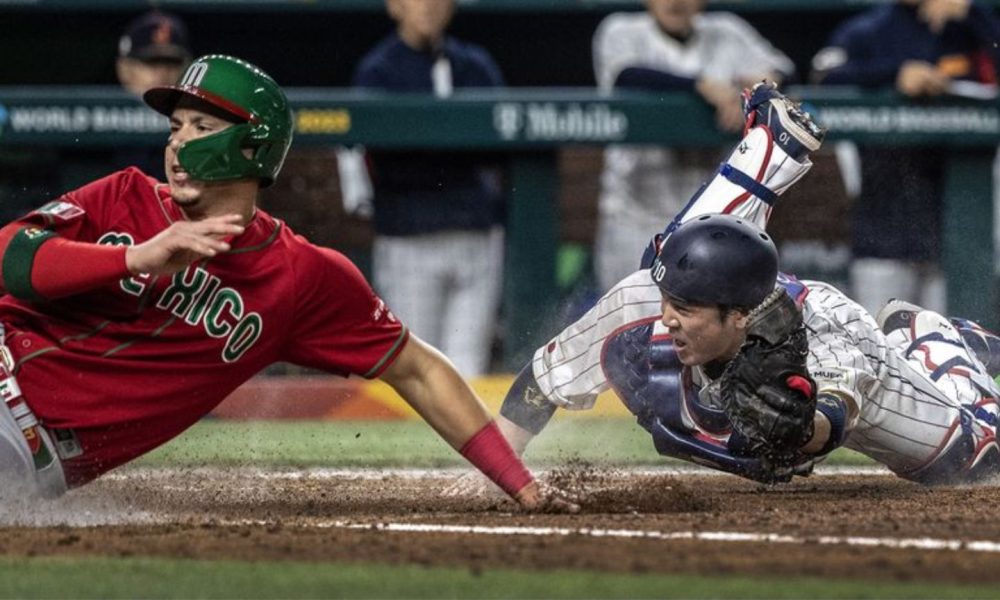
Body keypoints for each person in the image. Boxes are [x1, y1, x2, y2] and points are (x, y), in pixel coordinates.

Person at [0, 54, 571, 511]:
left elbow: (417, 369)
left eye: (202, 126)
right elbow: (10, 256)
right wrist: (136, 258)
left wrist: (519, 483)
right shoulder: (124, 195)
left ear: (253, 146)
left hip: (30, 456)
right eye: (175, 127)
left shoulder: (299, 277)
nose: (177, 142)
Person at [451, 82, 1000, 492]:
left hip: (864, 368)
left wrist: (797, 425)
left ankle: (933, 342)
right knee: (669, 254)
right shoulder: (640, 303)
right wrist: (496, 477)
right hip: (740, 290)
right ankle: (772, 148)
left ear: (740, 316)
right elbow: (541, 385)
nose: (666, 316)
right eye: (669, 301)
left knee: (972, 458)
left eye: (684, 309)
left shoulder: (823, 334)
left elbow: (829, 421)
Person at [337, 0, 506, 377]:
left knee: (469, 368)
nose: (428, 5)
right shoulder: (378, 70)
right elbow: (368, 160)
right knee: (416, 368)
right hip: (410, 237)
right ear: (394, 6)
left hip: (475, 235)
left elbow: (503, 146)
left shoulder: (474, 63)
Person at [810, 0, 1000, 316]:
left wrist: (974, 16)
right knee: (882, 350)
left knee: (959, 354)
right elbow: (824, 77)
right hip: (884, 228)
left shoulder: (965, 25)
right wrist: (894, 74)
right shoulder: (870, 28)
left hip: (960, 228)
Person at [591, 0, 795, 292]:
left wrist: (761, 85)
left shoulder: (727, 30)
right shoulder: (620, 30)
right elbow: (627, 76)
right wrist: (703, 86)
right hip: (635, 214)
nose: (675, 2)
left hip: (714, 214)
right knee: (632, 321)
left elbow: (785, 70)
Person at [113, 10, 194, 179]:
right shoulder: (93, 144)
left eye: (172, 63)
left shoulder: (198, 132)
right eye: (151, 62)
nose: (162, 73)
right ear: (124, 69)